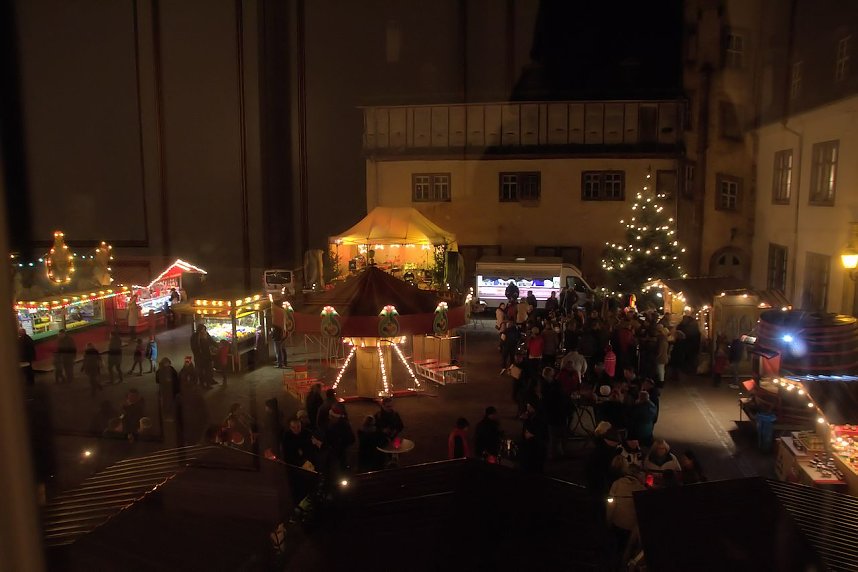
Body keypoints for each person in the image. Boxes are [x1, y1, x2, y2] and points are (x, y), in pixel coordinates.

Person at [607, 457, 646, 557]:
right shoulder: (641, 489)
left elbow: (611, 505)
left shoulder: (617, 484)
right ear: (639, 474)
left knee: (618, 547)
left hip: (617, 523)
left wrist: (608, 520)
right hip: (632, 528)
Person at [155, 357, 179, 421]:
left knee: (171, 401)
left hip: (172, 389)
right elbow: (157, 380)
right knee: (165, 402)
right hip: (165, 389)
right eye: (166, 363)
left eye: (168, 363)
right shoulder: (160, 371)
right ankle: (166, 413)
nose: (167, 365)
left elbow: (176, 378)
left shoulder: (172, 369)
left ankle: (171, 413)